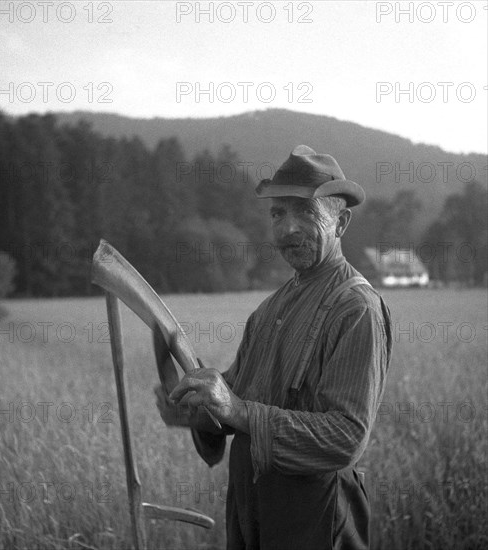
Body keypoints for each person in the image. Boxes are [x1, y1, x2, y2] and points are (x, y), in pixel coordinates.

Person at [155, 145, 392, 549]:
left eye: (306, 212)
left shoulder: (356, 309)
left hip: (315, 520)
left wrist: (237, 409)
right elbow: (232, 407)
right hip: (251, 513)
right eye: (278, 213)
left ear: (341, 223)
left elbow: (345, 437)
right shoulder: (270, 310)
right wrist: (195, 412)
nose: (288, 229)